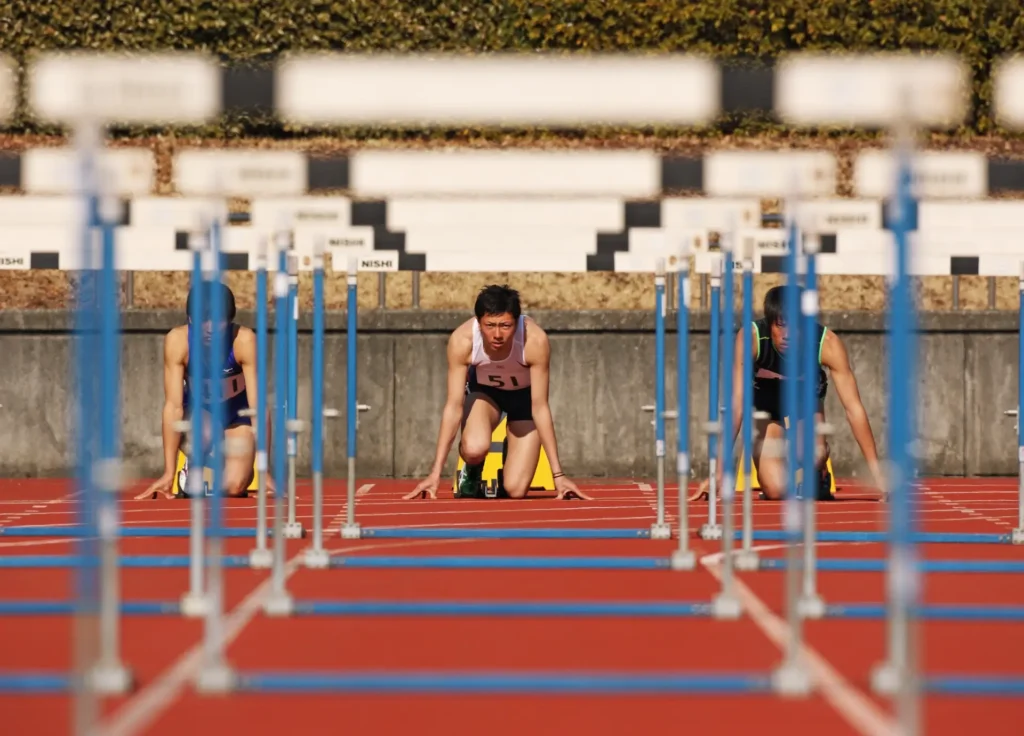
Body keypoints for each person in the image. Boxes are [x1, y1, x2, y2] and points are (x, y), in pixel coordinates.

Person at [694, 284, 886, 501]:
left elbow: (854, 409)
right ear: (769, 322)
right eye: (781, 326)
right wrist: (718, 472)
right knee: (775, 490)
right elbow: (737, 404)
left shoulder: (827, 344)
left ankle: (819, 466)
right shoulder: (751, 338)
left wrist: (877, 474)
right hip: (765, 405)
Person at [404, 284, 589, 501]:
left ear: (517, 322)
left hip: (523, 400)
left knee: (516, 490)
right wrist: (435, 474)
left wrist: (559, 476)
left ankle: (510, 457)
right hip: (485, 394)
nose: (498, 334)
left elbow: (540, 407)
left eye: (505, 325)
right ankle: (472, 471)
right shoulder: (462, 340)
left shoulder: (534, 341)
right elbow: (453, 406)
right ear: (478, 322)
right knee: (473, 447)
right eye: (490, 325)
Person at [143, 282, 266, 499]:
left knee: (235, 487)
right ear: (190, 319)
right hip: (200, 415)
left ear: (229, 321)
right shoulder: (178, 341)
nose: (209, 327)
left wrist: (265, 471)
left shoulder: (244, 341)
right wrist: (168, 472)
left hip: (237, 416)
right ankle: (188, 469)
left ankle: (220, 464)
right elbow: (173, 407)